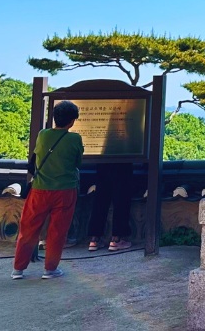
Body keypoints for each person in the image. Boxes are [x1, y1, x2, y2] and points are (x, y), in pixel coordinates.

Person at [12, 100, 84, 280]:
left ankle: (18, 269)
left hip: (39, 189)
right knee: (57, 231)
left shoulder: (42, 135)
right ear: (72, 121)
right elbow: (77, 162)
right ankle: (50, 269)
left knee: (28, 228)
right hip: (65, 190)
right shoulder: (74, 138)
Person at [86, 162, 134, 251]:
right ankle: (116, 239)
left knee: (100, 200)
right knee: (121, 200)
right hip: (123, 161)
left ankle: (94, 239)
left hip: (104, 160)